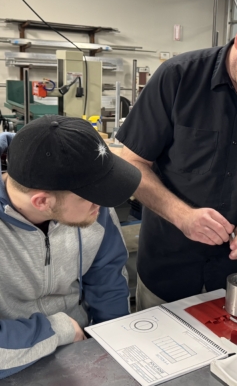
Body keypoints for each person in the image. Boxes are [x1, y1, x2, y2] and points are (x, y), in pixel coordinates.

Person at [116, 0, 237, 310]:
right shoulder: (178, 77)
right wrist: (183, 217)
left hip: (235, 277)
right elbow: (132, 162)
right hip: (168, 270)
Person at [0, 115, 141, 379]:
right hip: (13, 360)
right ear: (42, 202)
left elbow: (107, 279)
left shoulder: (93, 209)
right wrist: (59, 329)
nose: (102, 202)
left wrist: (115, 345)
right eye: (92, 196)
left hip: (79, 348)